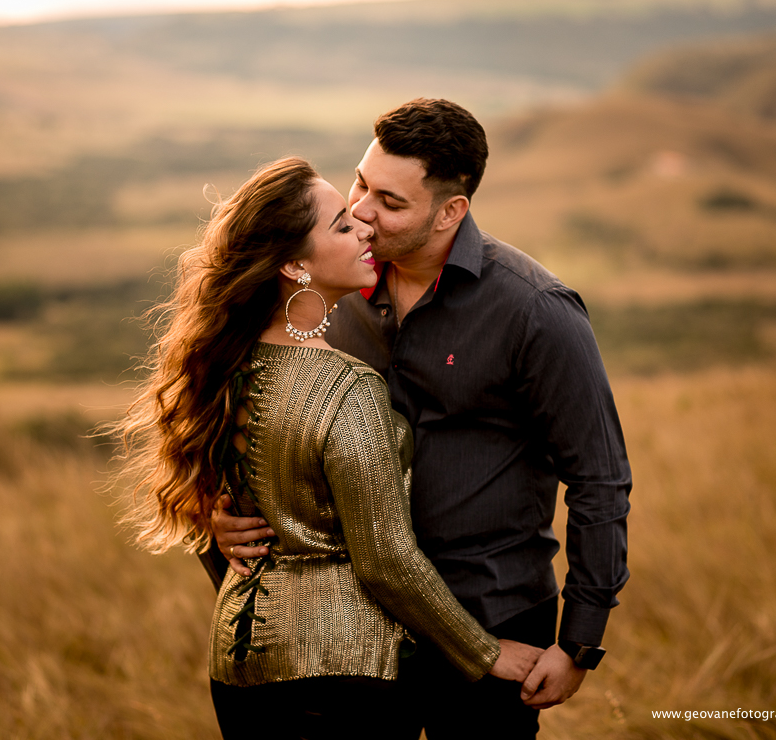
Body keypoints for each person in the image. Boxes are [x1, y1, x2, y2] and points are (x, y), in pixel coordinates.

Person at [211, 99, 632, 739]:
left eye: (390, 201)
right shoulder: (332, 295)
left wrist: (579, 642)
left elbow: (599, 480)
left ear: (450, 212)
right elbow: (253, 422)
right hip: (356, 633)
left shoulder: (535, 311)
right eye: (360, 183)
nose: (360, 211)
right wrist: (218, 516)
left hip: (492, 619)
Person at [113, 156, 543, 739]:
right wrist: (486, 654)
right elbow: (385, 559)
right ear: (293, 264)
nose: (365, 227)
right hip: (344, 673)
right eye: (343, 225)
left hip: (237, 667)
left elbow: (214, 495)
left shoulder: (224, 370)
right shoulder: (348, 389)